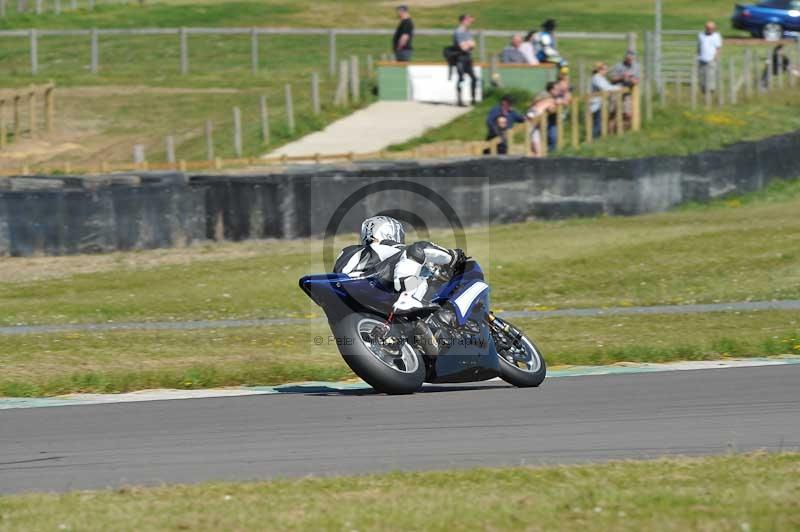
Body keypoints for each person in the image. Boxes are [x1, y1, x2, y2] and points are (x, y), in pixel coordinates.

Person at [333, 216, 466, 351]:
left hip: (350, 296)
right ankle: (407, 300)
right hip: (380, 286)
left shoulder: (347, 252)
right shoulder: (388, 246)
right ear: (391, 231)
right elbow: (420, 251)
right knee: (418, 251)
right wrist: (453, 256)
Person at [453, 14, 478, 106]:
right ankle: (459, 100)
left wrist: (468, 44)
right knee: (461, 78)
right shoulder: (459, 32)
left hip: (468, 57)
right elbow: (463, 47)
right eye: (468, 20)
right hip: (460, 58)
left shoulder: (467, 31)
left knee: (474, 78)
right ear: (463, 21)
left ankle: (473, 99)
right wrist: (469, 44)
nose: (470, 22)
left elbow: (473, 45)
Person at [590, 62, 620, 138]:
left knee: (600, 123)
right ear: (599, 70)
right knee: (597, 124)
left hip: (600, 104)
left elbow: (608, 86)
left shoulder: (601, 78)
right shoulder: (596, 78)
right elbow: (606, 88)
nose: (606, 71)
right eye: (605, 69)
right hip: (595, 105)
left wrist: (617, 87)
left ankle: (596, 140)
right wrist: (618, 88)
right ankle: (593, 140)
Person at [609, 50, 640, 123]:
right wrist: (621, 77)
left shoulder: (636, 66)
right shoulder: (618, 66)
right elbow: (612, 79)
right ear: (625, 58)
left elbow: (638, 80)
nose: (630, 60)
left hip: (628, 92)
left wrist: (630, 79)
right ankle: (611, 131)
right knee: (612, 112)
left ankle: (624, 130)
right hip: (616, 92)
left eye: (631, 59)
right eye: (628, 59)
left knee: (627, 114)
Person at [526, 92, 556, 157]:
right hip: (533, 131)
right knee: (537, 150)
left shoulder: (541, 107)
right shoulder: (533, 109)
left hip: (537, 130)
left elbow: (552, 109)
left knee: (537, 150)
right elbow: (530, 118)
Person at [697, 21, 722, 94]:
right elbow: (699, 46)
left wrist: (716, 57)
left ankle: (711, 90)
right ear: (705, 28)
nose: (710, 29)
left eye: (711, 28)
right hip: (702, 58)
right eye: (708, 28)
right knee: (702, 74)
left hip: (712, 59)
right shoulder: (700, 35)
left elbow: (718, 48)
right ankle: (703, 89)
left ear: (714, 29)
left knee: (711, 75)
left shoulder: (716, 36)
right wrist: (698, 56)